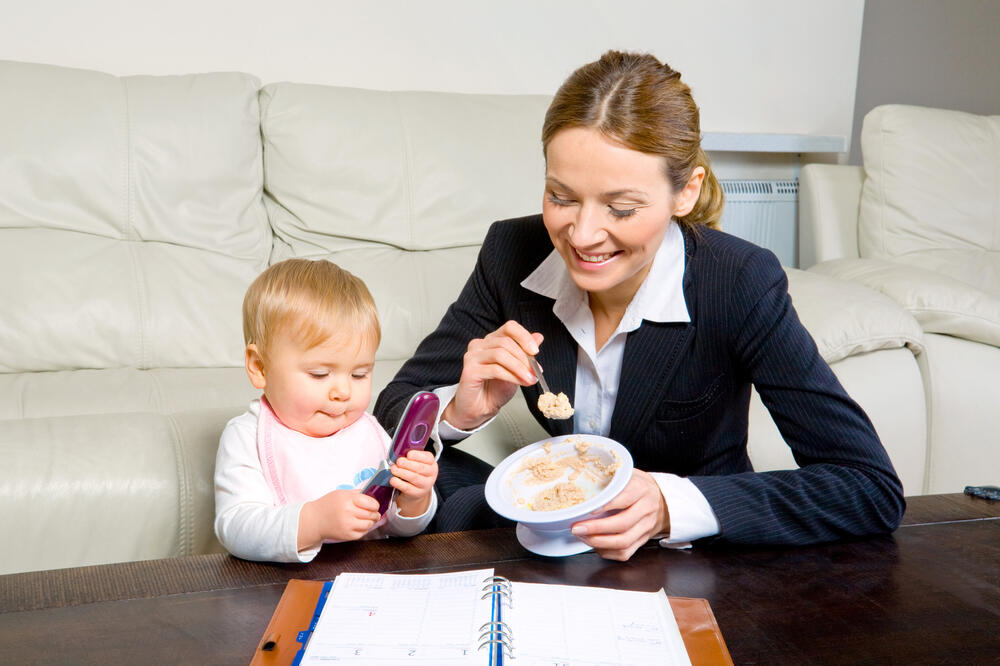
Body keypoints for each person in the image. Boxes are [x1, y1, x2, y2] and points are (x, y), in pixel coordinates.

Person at [374, 50, 904, 561]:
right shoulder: (511, 252)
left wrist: (671, 506)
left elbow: (868, 486)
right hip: (547, 544)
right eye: (561, 197)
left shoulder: (740, 280)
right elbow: (394, 407)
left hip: (691, 560)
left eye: (621, 208)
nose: (581, 236)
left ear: (685, 193)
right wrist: (457, 413)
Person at [214, 259, 438, 563]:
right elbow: (236, 527)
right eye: (320, 374)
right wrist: (313, 521)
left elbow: (398, 530)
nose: (343, 392)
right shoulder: (247, 436)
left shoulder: (366, 429)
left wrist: (415, 499)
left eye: (359, 375)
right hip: (287, 587)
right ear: (259, 367)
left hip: (372, 580)